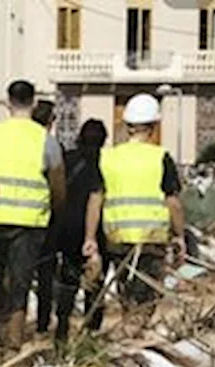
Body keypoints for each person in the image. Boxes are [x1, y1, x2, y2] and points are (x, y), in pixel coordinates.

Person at [0, 80, 67, 357]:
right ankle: (13, 343)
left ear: (8, 102)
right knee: (20, 282)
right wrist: (55, 211)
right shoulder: (46, 140)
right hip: (30, 223)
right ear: (33, 103)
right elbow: (58, 184)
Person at [84, 93, 186, 328]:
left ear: (127, 125)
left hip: (117, 241)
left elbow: (95, 199)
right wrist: (179, 236)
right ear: (153, 126)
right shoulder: (160, 157)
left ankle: (132, 331)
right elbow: (173, 203)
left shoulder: (107, 158)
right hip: (151, 241)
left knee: (127, 296)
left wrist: (90, 238)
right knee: (146, 301)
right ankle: (136, 337)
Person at [50, 119, 109, 340]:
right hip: (94, 229)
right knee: (95, 279)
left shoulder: (66, 160)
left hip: (66, 228)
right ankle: (91, 329)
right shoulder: (102, 163)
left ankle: (62, 324)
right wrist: (91, 236)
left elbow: (55, 188)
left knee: (68, 277)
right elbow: (97, 197)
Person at [30, 99, 62, 337]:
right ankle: (42, 321)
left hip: (1, 217)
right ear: (51, 121)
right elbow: (57, 184)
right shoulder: (49, 144)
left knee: (12, 276)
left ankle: (7, 324)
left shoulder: (12, 140)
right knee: (45, 275)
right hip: (40, 219)